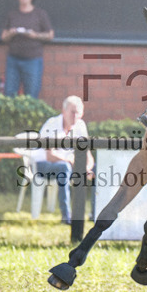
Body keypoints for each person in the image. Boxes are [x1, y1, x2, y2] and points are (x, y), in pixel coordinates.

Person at [33, 95, 94, 224]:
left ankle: (94, 214)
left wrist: (87, 168)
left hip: (68, 165)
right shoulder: (52, 124)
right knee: (64, 168)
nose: (75, 116)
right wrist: (71, 163)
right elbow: (50, 155)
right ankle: (66, 216)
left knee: (97, 169)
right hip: (43, 165)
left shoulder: (81, 125)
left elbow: (87, 153)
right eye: (72, 112)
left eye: (78, 112)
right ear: (63, 111)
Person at [1, 0, 54, 98]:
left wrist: (35, 35)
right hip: (13, 60)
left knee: (31, 94)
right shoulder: (12, 14)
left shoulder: (40, 14)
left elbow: (50, 35)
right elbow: (4, 37)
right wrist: (11, 33)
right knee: (9, 93)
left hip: (33, 60)